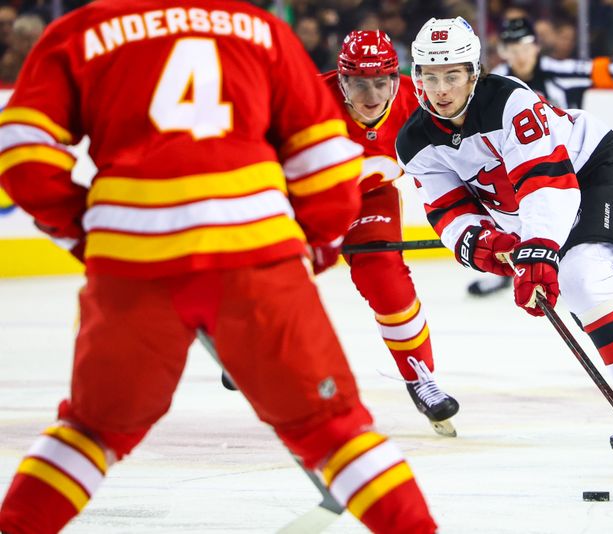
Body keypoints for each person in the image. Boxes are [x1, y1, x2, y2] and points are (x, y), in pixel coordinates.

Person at [0, 2, 437, 533]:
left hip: (134, 264)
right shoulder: (262, 31)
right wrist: (306, 252)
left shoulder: (83, 29)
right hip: (257, 258)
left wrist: (88, 234)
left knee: (88, 432)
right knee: (337, 430)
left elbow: (20, 147)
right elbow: (325, 167)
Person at [396, 16, 613, 472]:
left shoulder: (509, 100)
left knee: (583, 279)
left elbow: (546, 183)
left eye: (452, 74)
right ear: (417, 77)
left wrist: (538, 250)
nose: (440, 88)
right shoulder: (414, 142)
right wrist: (493, 248)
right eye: (430, 75)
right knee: (608, 318)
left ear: (473, 73)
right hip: (540, 213)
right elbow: (449, 212)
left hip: (597, 173)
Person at [468, 16, 613, 297]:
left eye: (524, 46)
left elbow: (610, 68)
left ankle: (610, 286)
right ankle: (509, 269)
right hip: (519, 168)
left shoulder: (559, 71)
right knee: (495, 193)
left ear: (536, 47)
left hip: (573, 167)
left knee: (591, 236)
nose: (519, 55)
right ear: (503, 51)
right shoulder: (494, 83)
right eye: (511, 48)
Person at [319, 30, 460, 437]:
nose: (371, 94)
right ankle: (244, 349)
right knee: (274, 276)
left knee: (386, 278)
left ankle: (420, 377)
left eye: (381, 81)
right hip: (303, 202)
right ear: (341, 80)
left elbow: (459, 158)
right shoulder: (306, 99)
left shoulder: (419, 104)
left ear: (397, 80)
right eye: (359, 82)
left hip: (369, 198)